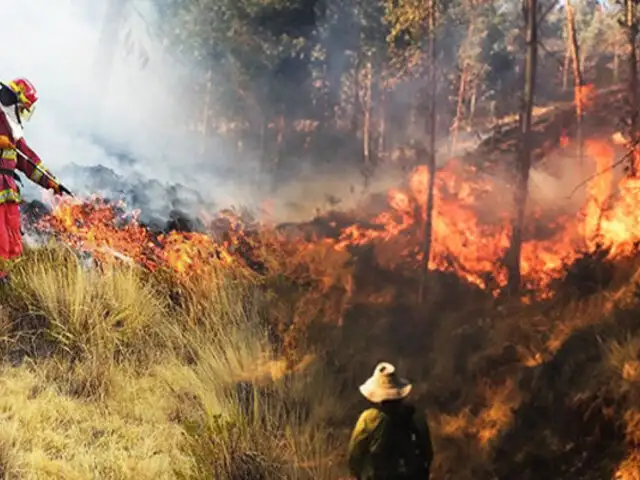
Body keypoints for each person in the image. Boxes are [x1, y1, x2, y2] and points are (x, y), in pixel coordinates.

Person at [0, 78, 70, 283]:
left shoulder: (11, 127)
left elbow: (28, 159)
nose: (22, 112)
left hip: (6, 189)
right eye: (22, 107)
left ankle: (3, 275)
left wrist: (52, 182)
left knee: (9, 232)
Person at [348, 362, 433, 480]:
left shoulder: (368, 418)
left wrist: (359, 475)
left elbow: (355, 455)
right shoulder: (415, 415)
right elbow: (427, 453)